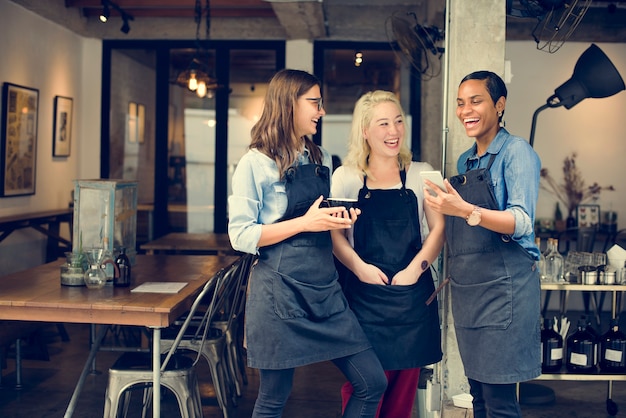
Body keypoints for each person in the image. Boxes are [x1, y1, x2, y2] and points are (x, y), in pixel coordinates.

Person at [228, 69, 387, 418]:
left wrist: (336, 219)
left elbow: (319, 219)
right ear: (289, 105)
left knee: (372, 382)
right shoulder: (254, 164)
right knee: (273, 398)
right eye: (314, 102)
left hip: (324, 290)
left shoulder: (319, 157)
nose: (321, 111)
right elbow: (240, 236)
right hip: (278, 292)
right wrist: (306, 222)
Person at [423, 70, 542, 418]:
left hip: (504, 289)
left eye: (476, 101)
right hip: (470, 290)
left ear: (499, 105)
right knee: (478, 396)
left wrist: (465, 209)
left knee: (500, 401)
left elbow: (521, 221)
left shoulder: (516, 152)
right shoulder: (466, 161)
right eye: (461, 103)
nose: (466, 110)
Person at [331, 90, 444, 418]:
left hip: (411, 298)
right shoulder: (347, 177)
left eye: (398, 121)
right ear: (365, 131)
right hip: (363, 299)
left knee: (403, 393)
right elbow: (336, 238)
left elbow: (438, 230)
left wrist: (416, 269)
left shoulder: (423, 173)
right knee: (364, 385)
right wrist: (360, 268)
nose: (393, 131)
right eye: (383, 123)